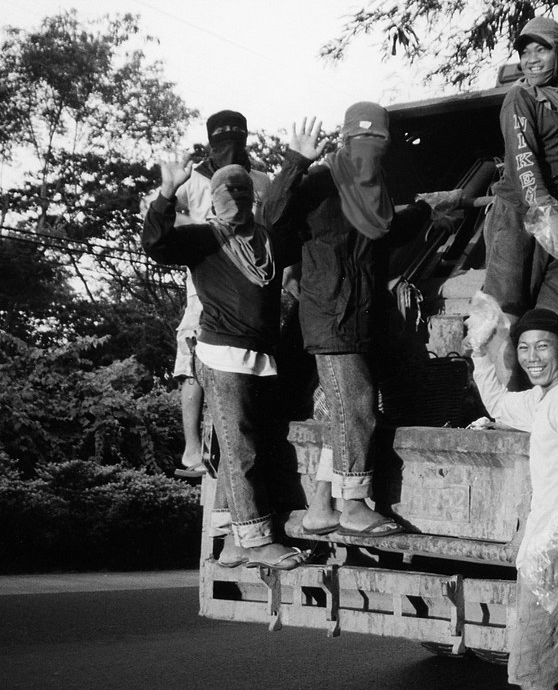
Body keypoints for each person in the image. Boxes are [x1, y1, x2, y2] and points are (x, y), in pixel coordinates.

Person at [263, 108, 440, 537]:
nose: (368, 151)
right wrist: (295, 161)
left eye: (377, 141)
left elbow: (387, 233)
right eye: (361, 140)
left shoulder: (375, 192)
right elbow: (270, 217)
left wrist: (429, 211)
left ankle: (321, 506)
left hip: (359, 321)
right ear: (343, 141)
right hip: (330, 320)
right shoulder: (319, 183)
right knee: (357, 409)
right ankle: (355, 506)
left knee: (339, 415)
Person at [142, 157, 306, 570]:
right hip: (223, 357)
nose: (233, 197)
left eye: (240, 190)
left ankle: (234, 540)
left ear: (253, 198)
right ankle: (256, 539)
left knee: (248, 448)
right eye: (224, 191)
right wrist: (168, 193)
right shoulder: (204, 238)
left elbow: (285, 210)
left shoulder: (267, 239)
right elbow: (156, 245)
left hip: (260, 358)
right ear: (212, 201)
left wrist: (298, 161)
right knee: (242, 451)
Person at [469, 308, 558, 690]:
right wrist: (480, 353)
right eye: (524, 348)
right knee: (543, 674)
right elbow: (499, 406)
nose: (532, 357)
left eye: (542, 347)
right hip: (546, 551)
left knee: (535, 678)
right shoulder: (545, 398)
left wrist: (556, 540)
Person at [146, 110, 272, 478]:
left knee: (243, 363)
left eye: (238, 135)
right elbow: (156, 221)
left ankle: (227, 443)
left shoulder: (260, 178)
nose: (231, 144)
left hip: (250, 273)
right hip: (204, 273)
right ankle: (191, 450)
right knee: (193, 357)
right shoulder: (196, 178)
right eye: (223, 137)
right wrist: (197, 230)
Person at [482, 17, 558, 386]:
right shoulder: (520, 98)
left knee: (556, 319)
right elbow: (524, 162)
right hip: (520, 217)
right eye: (525, 52)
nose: (531, 59)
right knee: (506, 316)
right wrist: (549, 214)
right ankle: (508, 406)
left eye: (540, 49)